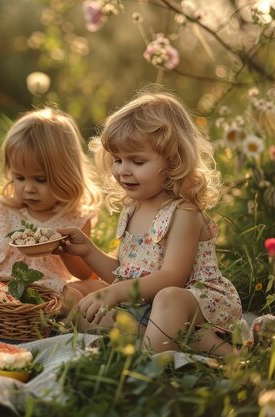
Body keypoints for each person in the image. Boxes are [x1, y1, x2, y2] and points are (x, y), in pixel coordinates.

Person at [59, 89, 243, 356]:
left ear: (173, 161)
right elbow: (124, 274)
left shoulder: (183, 211)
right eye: (118, 160)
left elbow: (173, 278)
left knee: (168, 299)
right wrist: (87, 250)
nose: (123, 170)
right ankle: (181, 340)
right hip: (145, 308)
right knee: (84, 312)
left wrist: (117, 293)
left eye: (137, 161)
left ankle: (153, 359)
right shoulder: (132, 208)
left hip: (193, 305)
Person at [0, 107, 104, 312]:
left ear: (66, 175)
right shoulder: (4, 210)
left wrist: (65, 250)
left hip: (46, 288)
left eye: (40, 179)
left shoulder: (76, 218)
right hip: (1, 280)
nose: (28, 188)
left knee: (79, 293)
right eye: (19, 178)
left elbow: (84, 274)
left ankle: (53, 320)